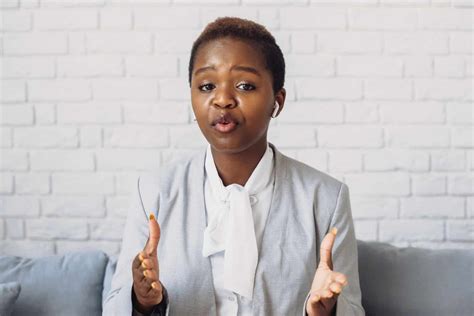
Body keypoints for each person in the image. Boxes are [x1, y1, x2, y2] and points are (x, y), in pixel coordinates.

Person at [103, 16, 365, 316]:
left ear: (277, 101)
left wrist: (324, 313)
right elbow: (113, 307)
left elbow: (353, 309)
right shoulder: (153, 191)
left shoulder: (327, 198)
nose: (223, 99)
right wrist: (143, 302)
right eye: (206, 85)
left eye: (244, 85)